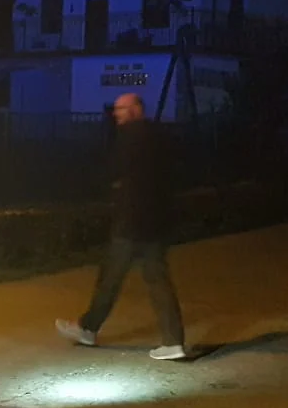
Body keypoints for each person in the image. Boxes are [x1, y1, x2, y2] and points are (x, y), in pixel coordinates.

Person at [55, 92, 189, 359]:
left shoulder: (130, 136)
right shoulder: (161, 136)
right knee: (157, 280)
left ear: (135, 109)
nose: (115, 113)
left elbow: (114, 169)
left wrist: (109, 185)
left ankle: (88, 329)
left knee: (111, 277)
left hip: (131, 220)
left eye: (120, 109)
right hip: (155, 220)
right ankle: (173, 341)